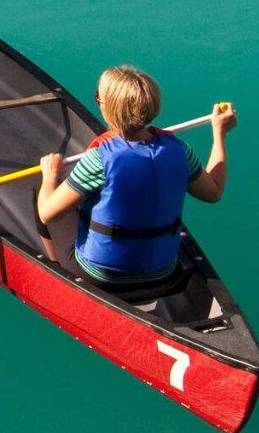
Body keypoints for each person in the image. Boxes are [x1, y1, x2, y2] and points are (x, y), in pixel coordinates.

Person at [35, 66, 232, 295]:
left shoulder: (98, 159)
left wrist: (49, 175)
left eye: (98, 97)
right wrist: (220, 133)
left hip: (103, 274)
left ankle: (56, 270)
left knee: (42, 191)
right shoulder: (180, 151)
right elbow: (214, 192)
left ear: (108, 107)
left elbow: (47, 213)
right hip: (164, 269)